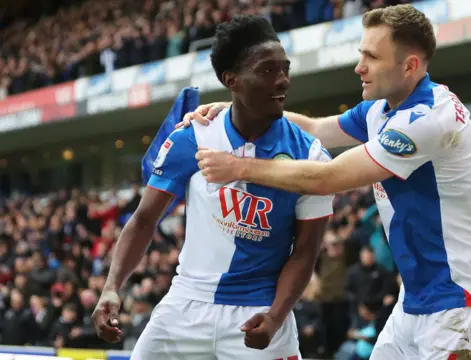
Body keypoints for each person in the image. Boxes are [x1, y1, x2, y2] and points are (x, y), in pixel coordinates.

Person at [181, 4, 471, 359]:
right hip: (416, 300)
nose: (359, 67)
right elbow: (316, 128)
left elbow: (328, 178)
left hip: (460, 300)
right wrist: (235, 108)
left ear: (410, 65)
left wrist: (239, 167)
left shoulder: (426, 119)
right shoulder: (381, 109)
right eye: (360, 53)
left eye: (371, 56)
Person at [91, 15, 334, 360]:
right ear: (230, 80)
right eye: (267, 70)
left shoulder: (310, 155)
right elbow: (144, 220)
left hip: (259, 310)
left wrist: (276, 316)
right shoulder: (193, 136)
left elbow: (306, 251)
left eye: (285, 69)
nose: (282, 80)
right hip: (185, 305)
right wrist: (111, 288)